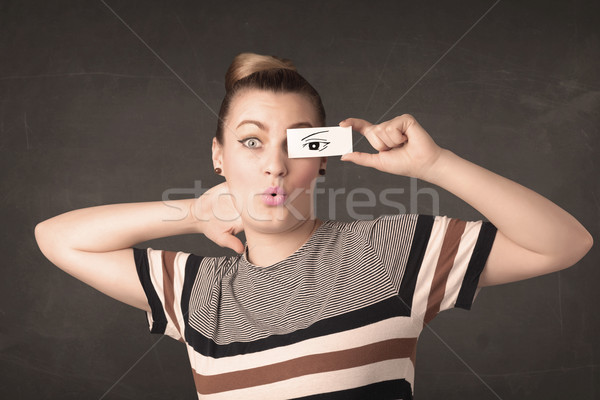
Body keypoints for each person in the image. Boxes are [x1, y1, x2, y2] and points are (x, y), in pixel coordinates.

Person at [34, 52, 593, 399]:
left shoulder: (385, 254)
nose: (274, 164)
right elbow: (56, 238)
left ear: (322, 158)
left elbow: (565, 243)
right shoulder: (196, 293)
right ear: (218, 157)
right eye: (251, 142)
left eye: (294, 143)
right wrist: (193, 211)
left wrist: (433, 164)